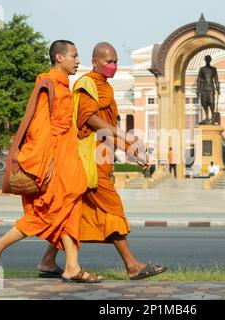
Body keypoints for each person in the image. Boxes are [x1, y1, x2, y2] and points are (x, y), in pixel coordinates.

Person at [38, 42, 167, 280]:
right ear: (95, 61)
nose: (113, 66)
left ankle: (48, 260)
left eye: (116, 61)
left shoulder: (105, 88)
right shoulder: (87, 84)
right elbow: (90, 120)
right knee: (113, 209)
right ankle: (132, 265)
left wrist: (130, 151)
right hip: (90, 164)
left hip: (101, 161)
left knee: (75, 215)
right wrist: (126, 137)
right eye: (108, 61)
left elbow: (107, 129)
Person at [0, 40, 100, 283]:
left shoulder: (64, 85)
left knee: (70, 209)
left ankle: (71, 267)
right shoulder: (48, 84)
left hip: (68, 160)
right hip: (55, 161)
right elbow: (40, 128)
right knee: (47, 213)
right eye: (74, 56)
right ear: (59, 57)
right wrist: (47, 162)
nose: (77, 61)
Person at [196, 55, 220, 124]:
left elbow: (216, 79)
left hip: (211, 88)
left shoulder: (213, 69)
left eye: (208, 59)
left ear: (210, 60)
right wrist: (198, 90)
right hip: (203, 88)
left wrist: (218, 88)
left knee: (212, 102)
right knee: (204, 103)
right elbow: (199, 79)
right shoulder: (202, 69)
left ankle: (212, 117)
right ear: (205, 60)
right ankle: (206, 117)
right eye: (206, 59)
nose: (207, 60)